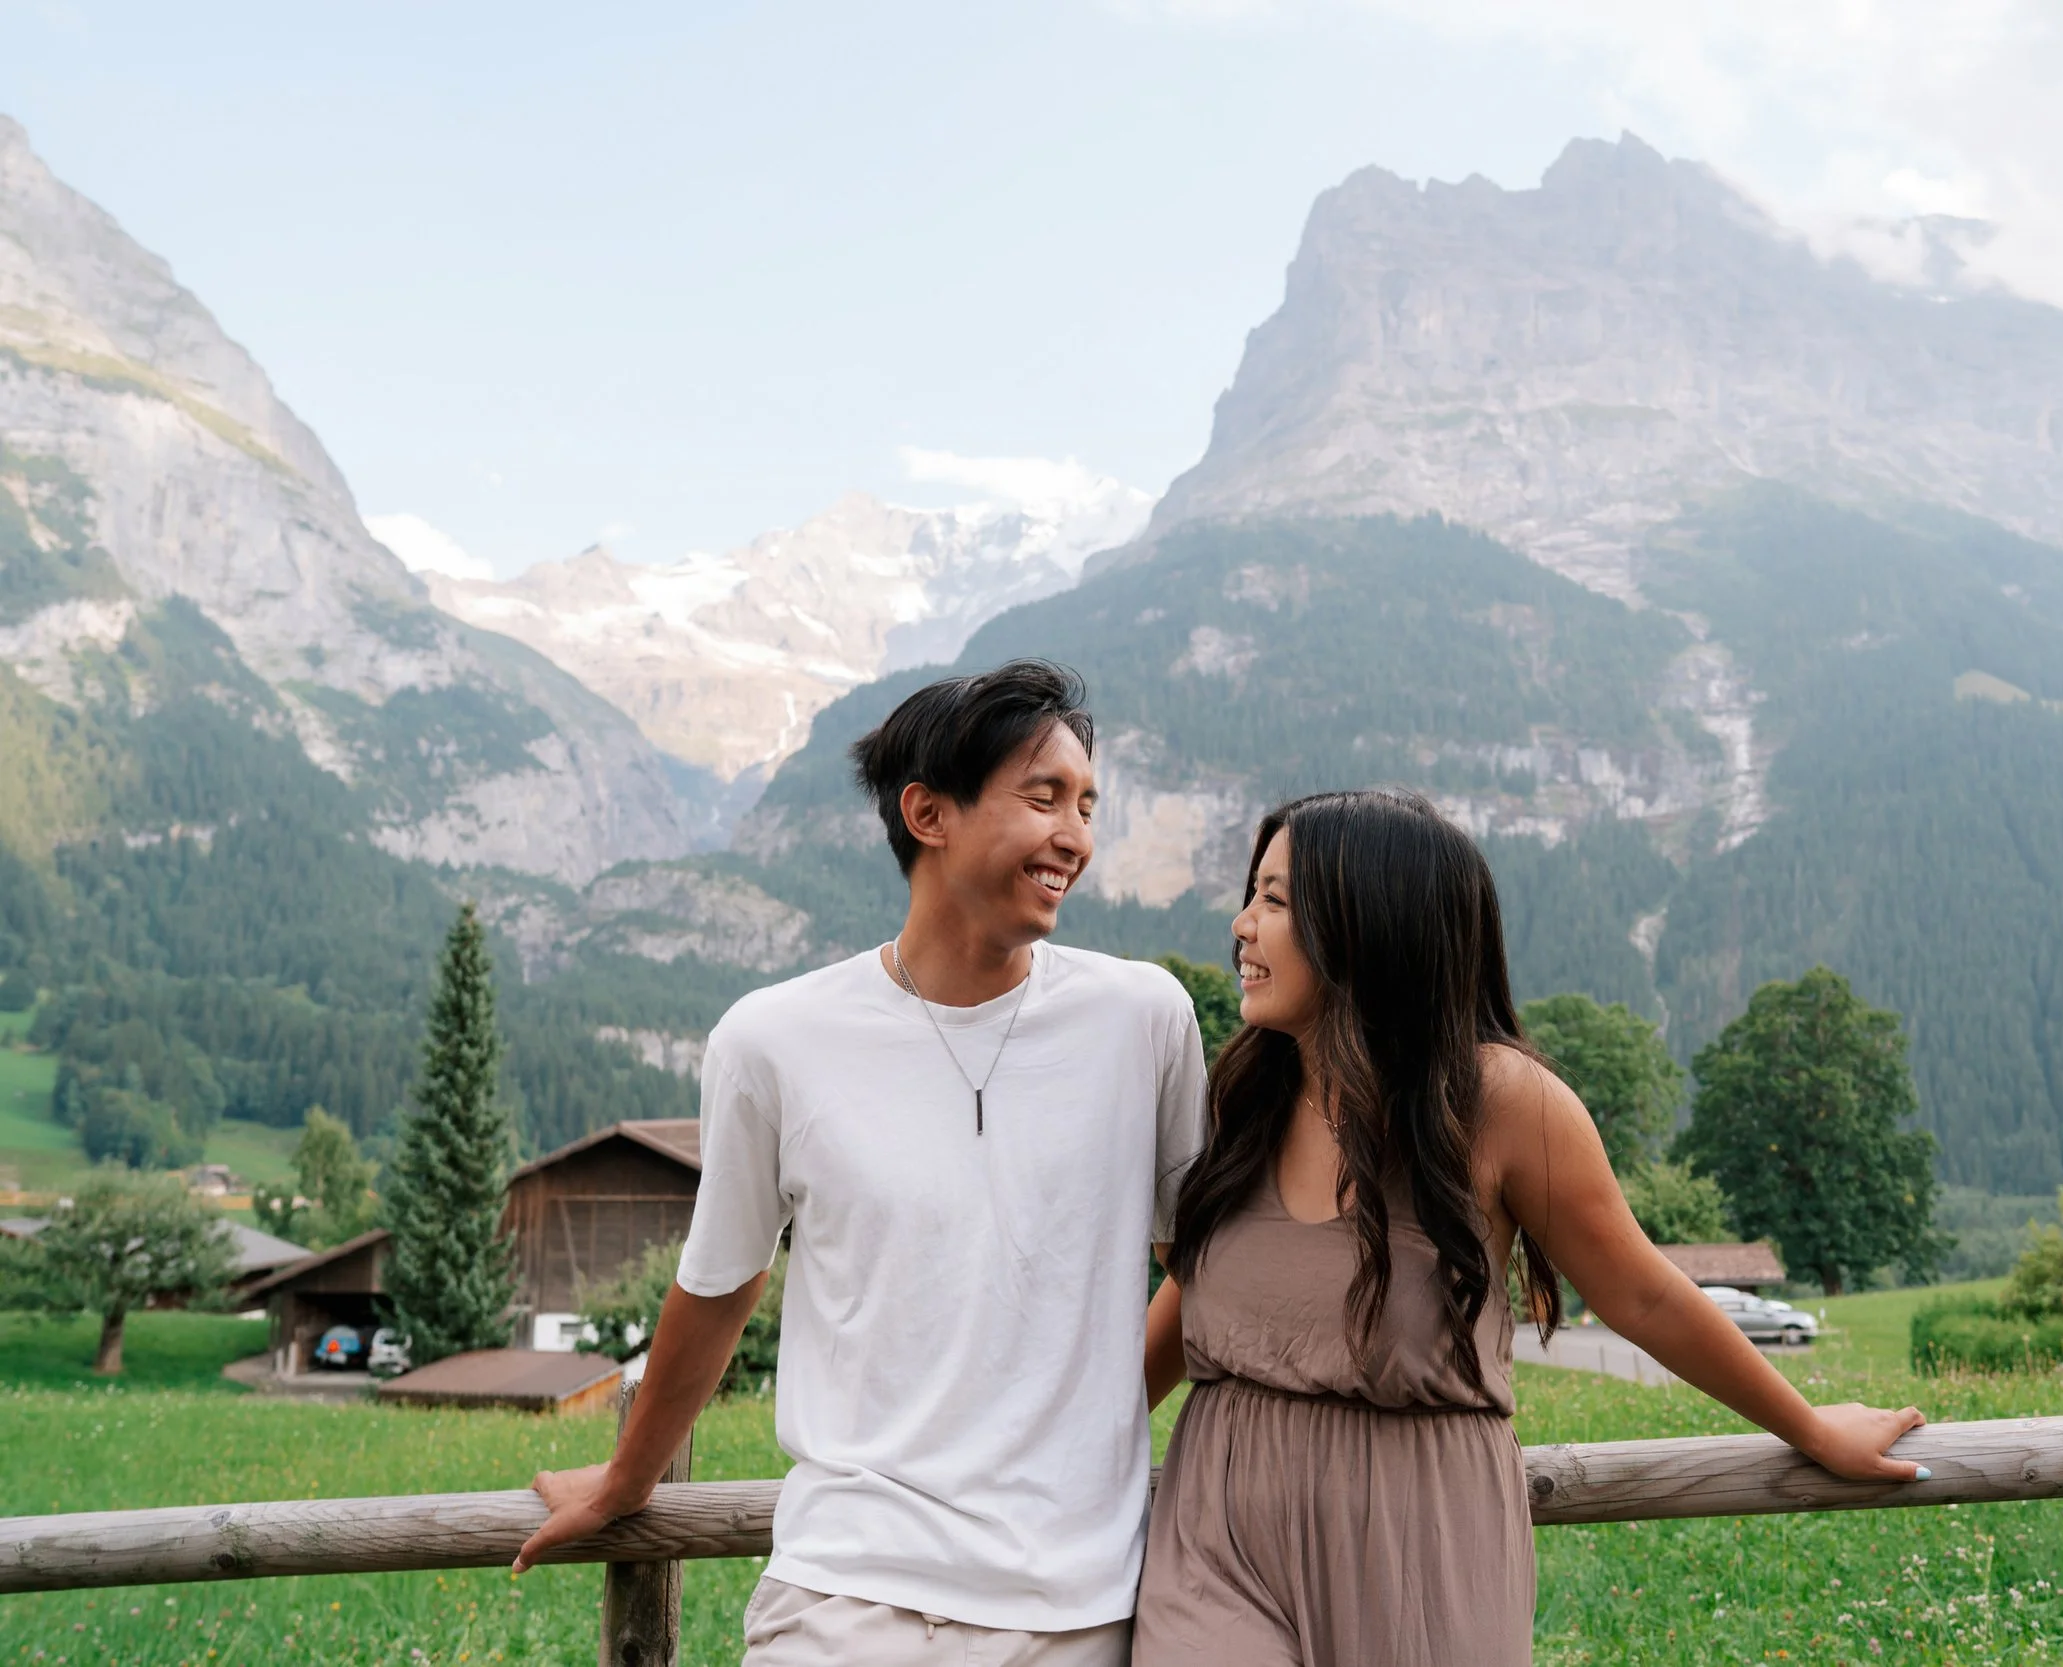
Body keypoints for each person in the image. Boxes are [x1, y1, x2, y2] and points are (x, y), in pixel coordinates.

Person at [513, 659, 1209, 1666]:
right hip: (841, 1598)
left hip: (1071, 1607)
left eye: (1088, 805)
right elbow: (720, 1279)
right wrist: (627, 1477)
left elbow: (1207, 1261)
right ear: (928, 812)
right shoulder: (773, 1038)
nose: (1076, 837)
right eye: (1044, 796)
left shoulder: (1144, 1018)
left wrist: (1084, 1412)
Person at [1133, 790, 1929, 1667]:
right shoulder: (1242, 1094)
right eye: (1254, 894)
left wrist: (1810, 1427)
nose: (1242, 924)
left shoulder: (1504, 1102)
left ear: (1370, 924)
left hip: (1418, 1547)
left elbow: (1641, 1295)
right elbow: (1200, 1295)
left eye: (1275, 900)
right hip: (1217, 1538)